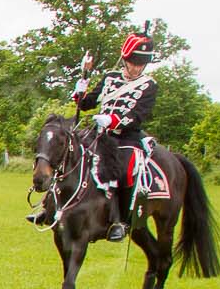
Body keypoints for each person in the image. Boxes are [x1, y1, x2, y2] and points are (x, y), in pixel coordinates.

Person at [66, 30, 160, 242]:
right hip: (98, 134)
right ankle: (51, 205)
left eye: (141, 64)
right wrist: (81, 87)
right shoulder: (110, 77)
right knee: (68, 154)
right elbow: (86, 103)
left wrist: (113, 120)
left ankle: (121, 221)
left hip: (126, 137)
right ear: (125, 60)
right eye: (133, 62)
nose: (136, 67)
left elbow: (139, 116)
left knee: (126, 169)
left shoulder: (149, 85)